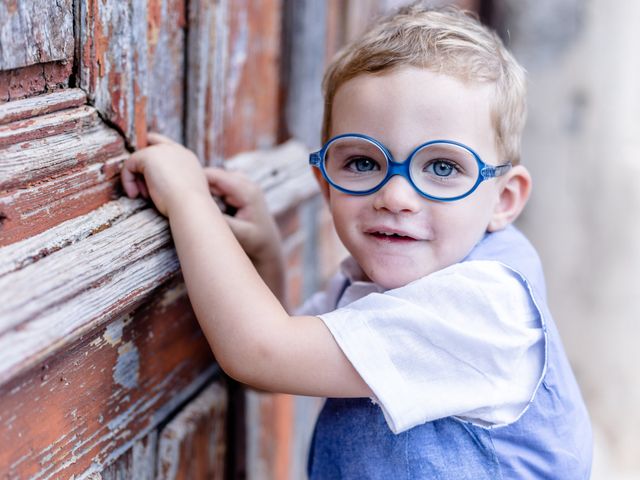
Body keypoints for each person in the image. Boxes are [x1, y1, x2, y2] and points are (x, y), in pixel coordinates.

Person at [121, 3, 592, 478]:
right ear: (324, 183)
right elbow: (279, 368)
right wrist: (264, 251)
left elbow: (259, 352)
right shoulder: (380, 279)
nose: (396, 196)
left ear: (503, 199)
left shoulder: (481, 308)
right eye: (363, 163)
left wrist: (187, 199)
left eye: (443, 167)